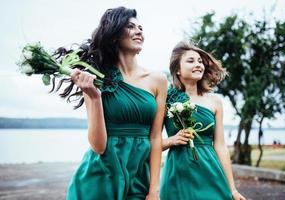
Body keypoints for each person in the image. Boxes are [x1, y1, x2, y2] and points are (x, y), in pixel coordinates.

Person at [61, 7, 167, 200]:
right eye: (130, 26)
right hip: (101, 175)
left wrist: (154, 190)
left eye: (140, 27)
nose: (139, 31)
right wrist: (94, 96)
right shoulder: (96, 78)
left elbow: (155, 138)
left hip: (139, 179)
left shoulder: (158, 80)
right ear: (114, 35)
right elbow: (98, 146)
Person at [160, 41, 246, 200]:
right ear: (177, 70)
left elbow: (220, 146)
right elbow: (152, 143)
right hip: (177, 174)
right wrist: (171, 140)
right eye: (191, 61)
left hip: (210, 171)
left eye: (200, 61)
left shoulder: (215, 101)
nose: (198, 65)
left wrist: (232, 189)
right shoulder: (166, 98)